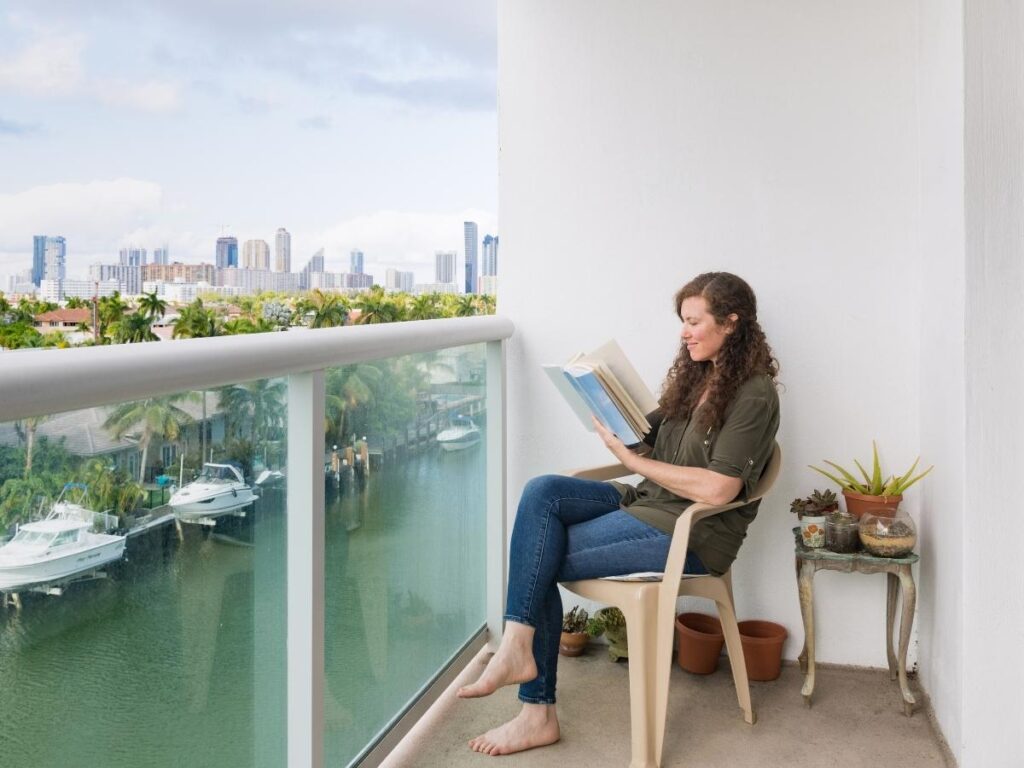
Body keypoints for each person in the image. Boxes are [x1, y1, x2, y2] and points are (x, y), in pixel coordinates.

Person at [456, 272, 781, 756]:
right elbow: (651, 441)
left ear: (732, 323)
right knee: (542, 490)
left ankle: (533, 704)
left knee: (539, 558)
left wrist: (632, 462)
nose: (684, 332)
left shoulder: (753, 393)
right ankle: (519, 655)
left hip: (688, 533)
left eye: (694, 322)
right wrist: (609, 411)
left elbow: (718, 487)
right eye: (682, 322)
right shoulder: (699, 377)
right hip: (645, 503)